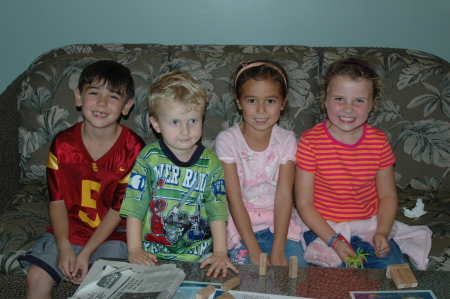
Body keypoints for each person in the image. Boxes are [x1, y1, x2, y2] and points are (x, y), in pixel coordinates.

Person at [18, 60, 146, 299]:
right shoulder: (63, 143)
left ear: (127, 106)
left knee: (103, 286)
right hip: (69, 227)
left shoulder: (134, 148)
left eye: (113, 97)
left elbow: (119, 209)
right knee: (36, 277)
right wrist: (65, 245)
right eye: (94, 92)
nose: (101, 103)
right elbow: (56, 201)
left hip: (112, 233)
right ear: (78, 97)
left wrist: (86, 252)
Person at [295, 58, 431, 269]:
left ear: (372, 103)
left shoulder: (378, 141)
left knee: (391, 273)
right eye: (339, 99)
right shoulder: (310, 142)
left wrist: (383, 232)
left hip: (369, 226)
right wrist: (335, 241)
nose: (348, 109)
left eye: (358, 101)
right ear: (325, 99)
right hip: (325, 229)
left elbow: (387, 195)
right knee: (332, 283)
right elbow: (304, 203)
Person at [120, 70, 239, 278]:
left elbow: (217, 211)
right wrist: (135, 250)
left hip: (199, 256)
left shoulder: (211, 162)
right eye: (175, 122)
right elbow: (134, 206)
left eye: (193, 121)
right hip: (151, 255)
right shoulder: (148, 158)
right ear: (156, 124)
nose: (185, 131)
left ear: (202, 116)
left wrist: (221, 252)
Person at [215, 61, 307, 267]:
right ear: (238, 102)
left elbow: (284, 195)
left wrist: (278, 249)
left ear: (283, 102)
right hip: (240, 230)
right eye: (252, 100)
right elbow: (234, 197)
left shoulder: (286, 140)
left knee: (296, 277)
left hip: (280, 228)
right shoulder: (227, 140)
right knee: (248, 281)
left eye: (271, 101)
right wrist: (254, 250)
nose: (261, 110)